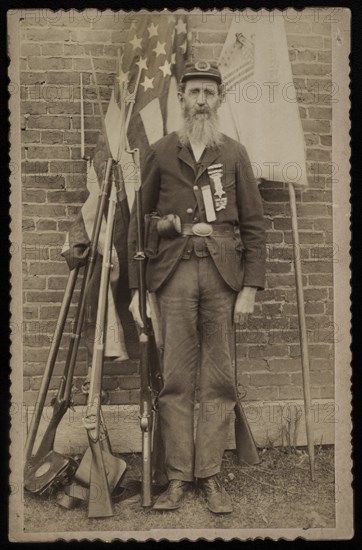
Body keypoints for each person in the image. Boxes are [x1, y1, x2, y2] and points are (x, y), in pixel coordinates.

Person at [128, 61, 266, 514]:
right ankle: (177, 478)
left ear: (220, 99)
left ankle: (209, 475)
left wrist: (249, 288)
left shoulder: (235, 154)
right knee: (178, 379)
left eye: (209, 91)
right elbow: (138, 221)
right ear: (183, 99)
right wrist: (136, 287)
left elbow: (254, 225)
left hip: (223, 277)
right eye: (194, 92)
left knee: (219, 379)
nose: (201, 99)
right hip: (174, 275)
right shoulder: (163, 151)